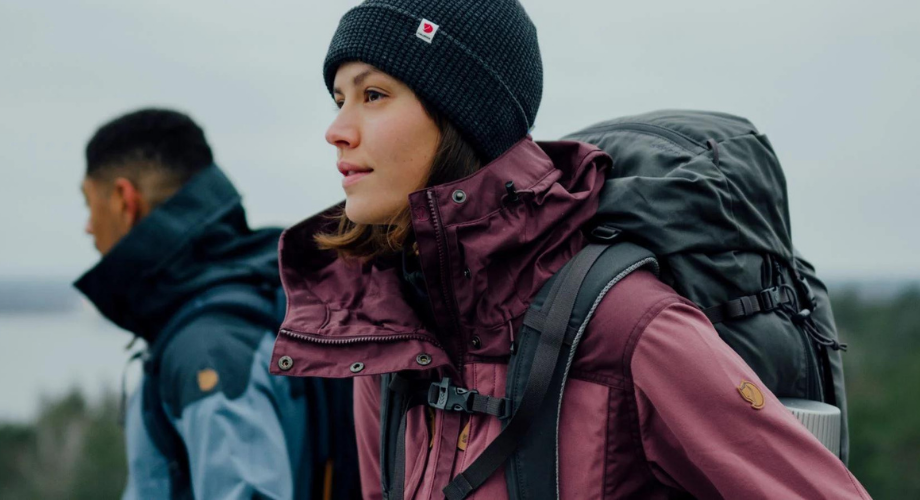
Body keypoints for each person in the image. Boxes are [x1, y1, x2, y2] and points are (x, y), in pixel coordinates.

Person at [268, 0, 870, 498]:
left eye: (373, 95)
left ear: (462, 117)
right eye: (338, 99)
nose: (337, 129)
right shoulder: (390, 319)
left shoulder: (626, 322)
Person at [75, 108, 356, 500]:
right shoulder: (260, 288)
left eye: (89, 202)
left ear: (125, 200)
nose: (88, 225)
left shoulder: (204, 344)